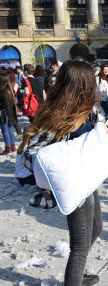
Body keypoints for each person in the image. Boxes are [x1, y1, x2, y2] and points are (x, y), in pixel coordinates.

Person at [18, 60, 103, 285]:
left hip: (89, 179)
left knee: (96, 228)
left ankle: (76, 273)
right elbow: (30, 155)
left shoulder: (87, 109)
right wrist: (56, 164)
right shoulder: (58, 115)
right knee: (80, 243)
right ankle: (73, 279)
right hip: (73, 185)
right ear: (81, 84)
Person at [0, 73, 17, 155]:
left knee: (5, 130)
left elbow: (5, 103)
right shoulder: (10, 89)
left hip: (5, 113)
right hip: (10, 112)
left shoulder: (4, 91)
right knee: (9, 129)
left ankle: (8, 147)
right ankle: (12, 146)